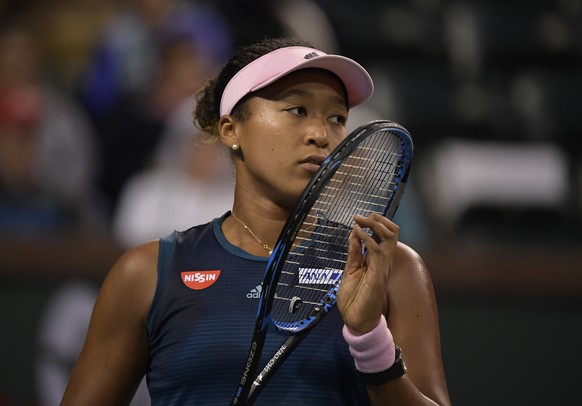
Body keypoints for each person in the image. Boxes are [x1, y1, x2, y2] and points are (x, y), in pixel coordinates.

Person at [61, 37, 451, 405]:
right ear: (232, 130)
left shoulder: (390, 269)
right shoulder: (146, 274)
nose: (321, 134)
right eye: (298, 110)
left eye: (337, 117)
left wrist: (369, 340)